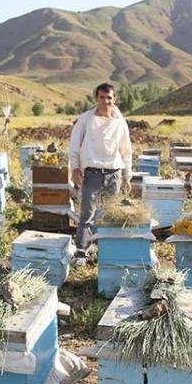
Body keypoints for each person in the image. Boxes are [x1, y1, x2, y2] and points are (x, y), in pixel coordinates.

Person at [68, 82, 132, 264]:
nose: (106, 101)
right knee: (87, 213)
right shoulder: (86, 119)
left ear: (115, 99)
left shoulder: (120, 122)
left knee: (110, 214)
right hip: (92, 172)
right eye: (102, 97)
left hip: (114, 173)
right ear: (96, 99)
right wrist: (75, 168)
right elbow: (74, 145)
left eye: (109, 97)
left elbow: (126, 150)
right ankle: (81, 251)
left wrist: (127, 176)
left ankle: (107, 251)